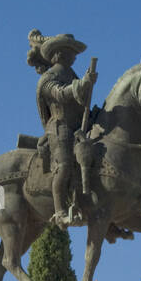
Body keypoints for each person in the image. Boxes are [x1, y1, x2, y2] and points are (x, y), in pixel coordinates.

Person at [27, 29, 97, 227]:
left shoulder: (71, 74)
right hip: (60, 128)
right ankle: (59, 212)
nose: (74, 56)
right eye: (70, 52)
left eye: (74, 52)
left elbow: (81, 100)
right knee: (64, 166)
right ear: (59, 54)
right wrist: (82, 85)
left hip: (78, 127)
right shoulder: (48, 78)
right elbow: (61, 94)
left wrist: (87, 86)